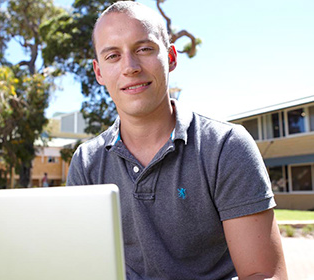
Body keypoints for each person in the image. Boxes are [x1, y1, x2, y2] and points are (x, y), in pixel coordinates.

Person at [67, 2, 287, 279]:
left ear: (171, 57)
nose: (130, 67)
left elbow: (265, 274)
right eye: (113, 56)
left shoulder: (226, 146)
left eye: (144, 49)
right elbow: (83, 267)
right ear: (99, 72)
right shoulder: (87, 161)